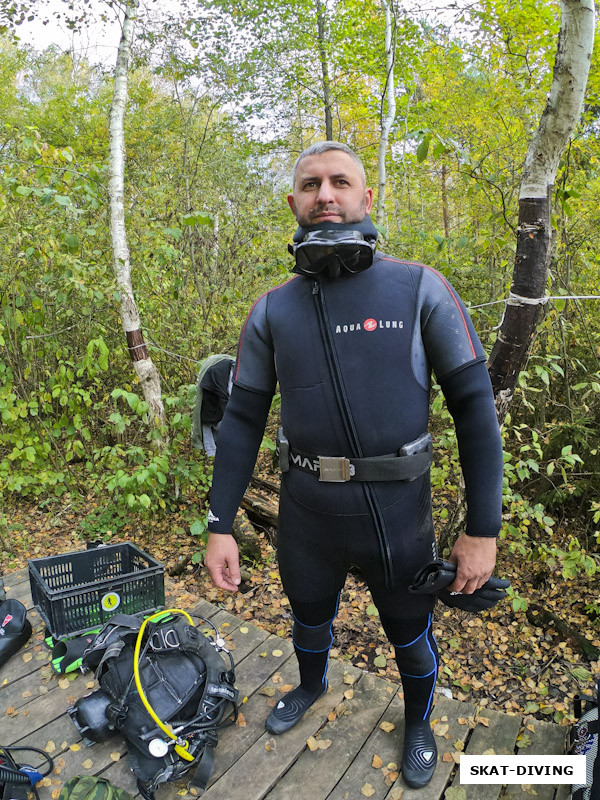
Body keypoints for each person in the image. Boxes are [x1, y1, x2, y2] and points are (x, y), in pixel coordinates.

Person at [204, 141, 503, 789]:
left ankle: (418, 722)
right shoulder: (272, 311)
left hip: (397, 522)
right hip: (307, 515)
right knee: (308, 617)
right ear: (294, 203)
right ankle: (311, 687)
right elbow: (242, 422)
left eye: (341, 182)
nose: (326, 194)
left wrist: (483, 528)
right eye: (311, 184)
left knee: (409, 633)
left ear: (367, 198)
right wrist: (220, 522)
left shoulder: (419, 288)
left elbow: (476, 410)